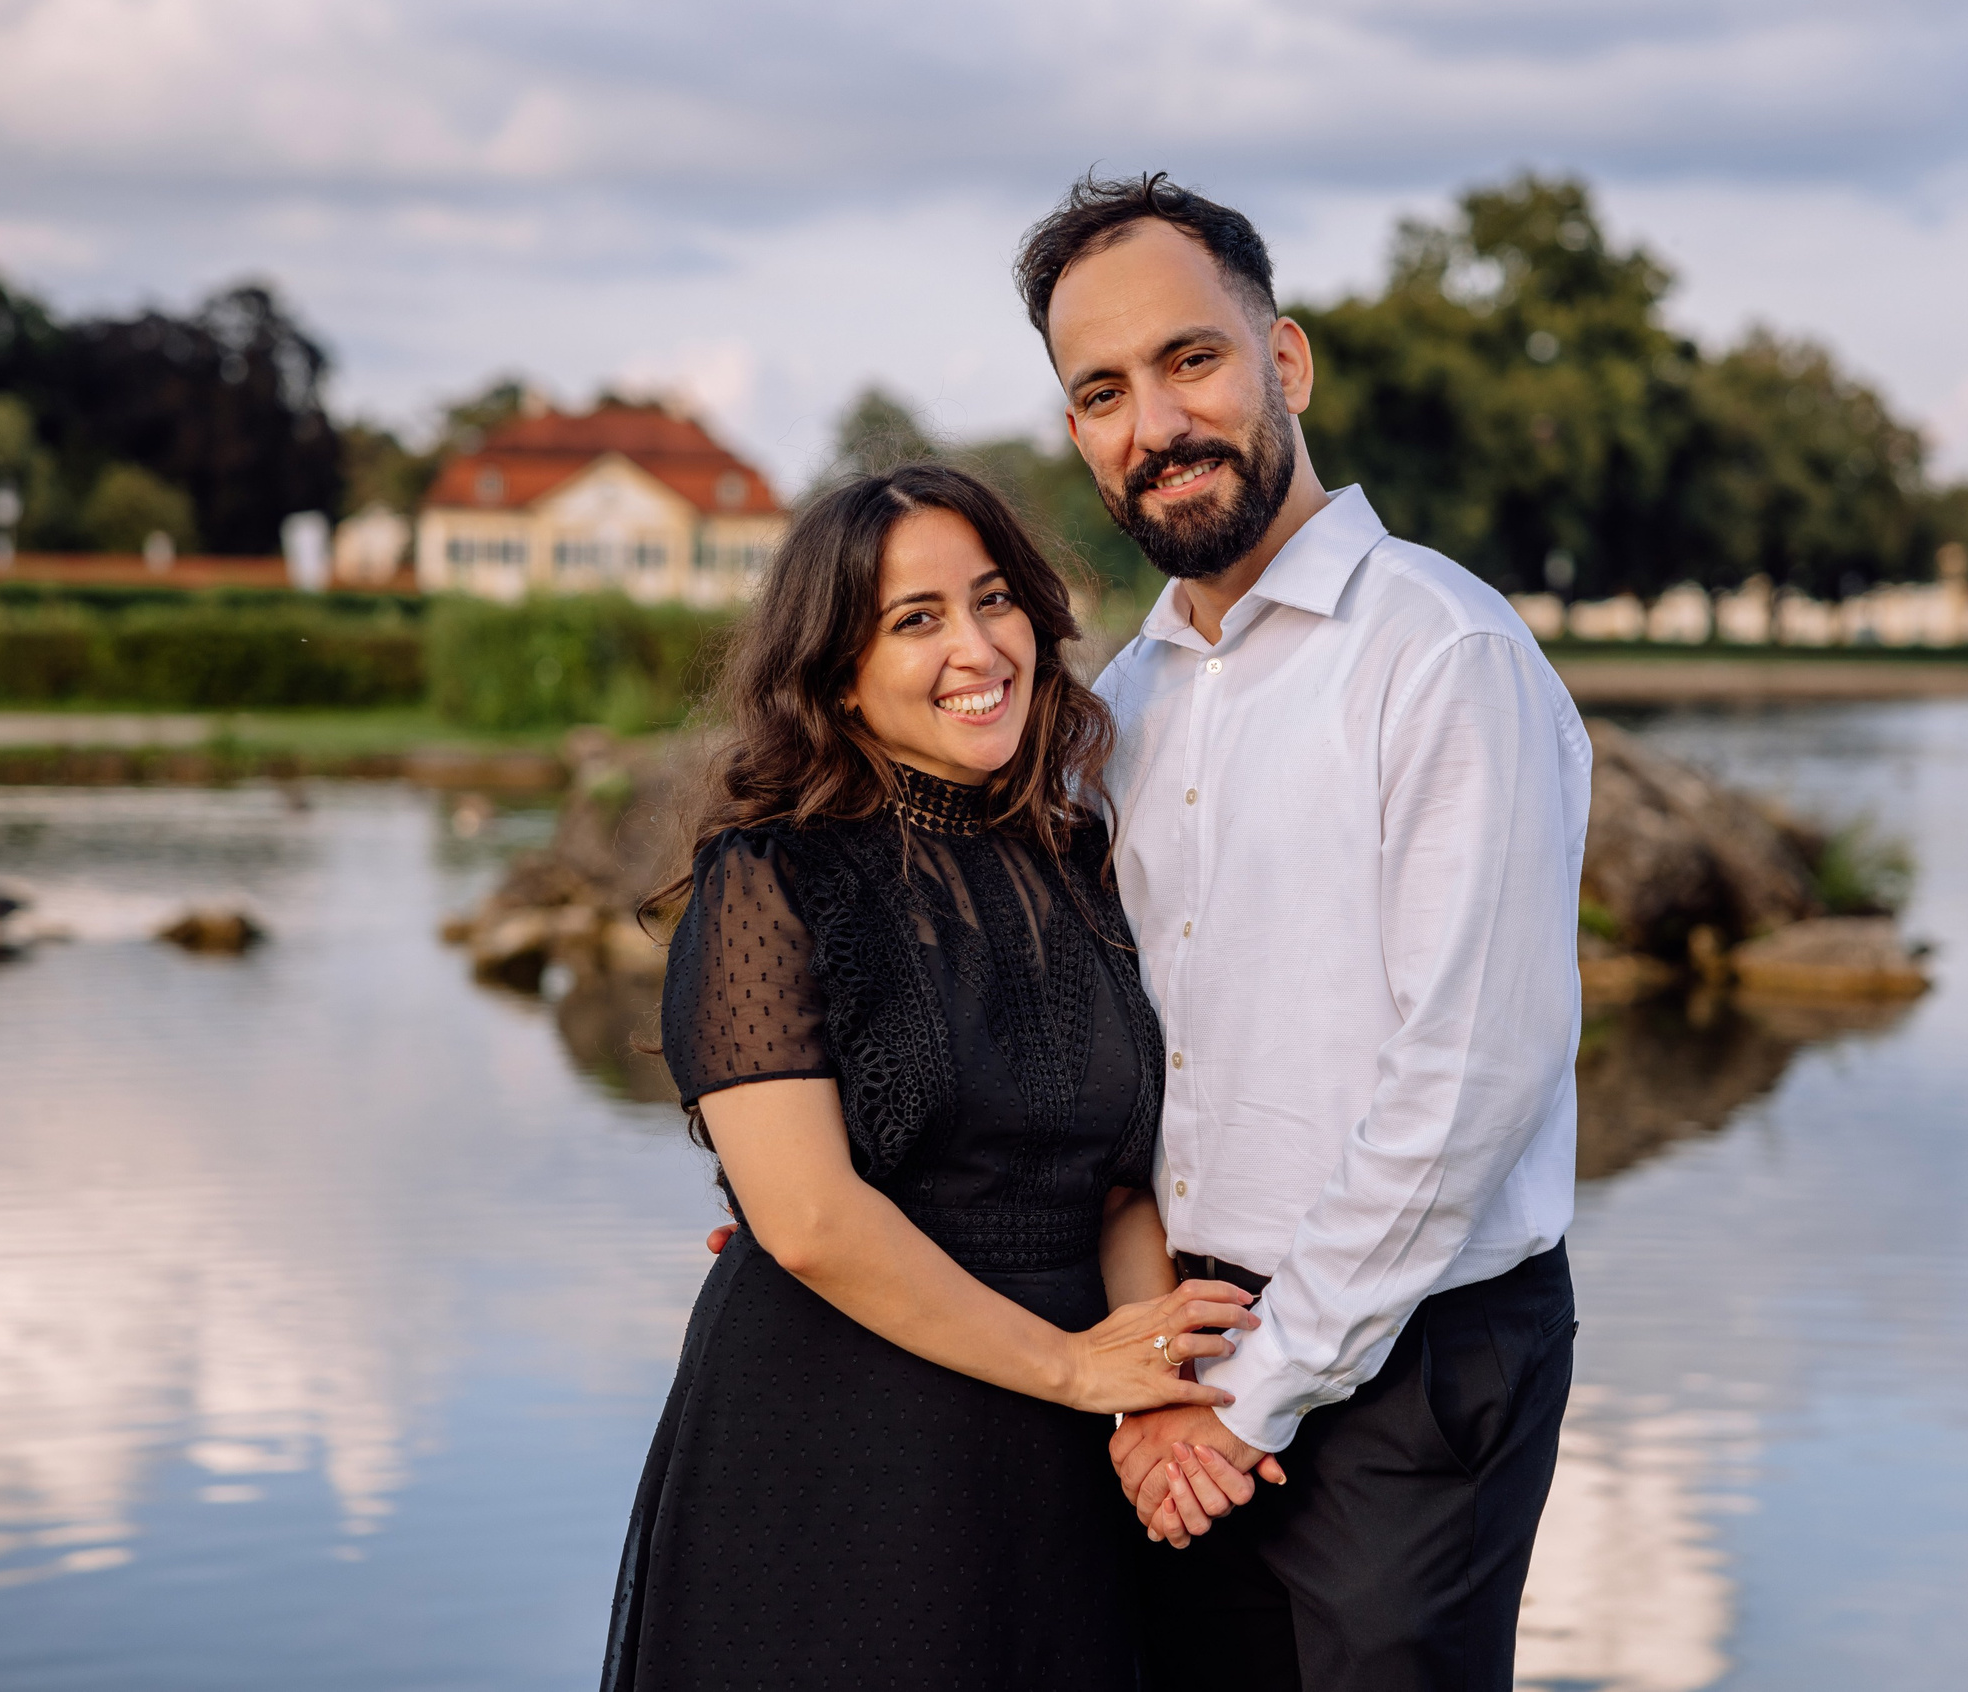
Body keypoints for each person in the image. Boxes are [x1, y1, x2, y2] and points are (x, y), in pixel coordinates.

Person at [1015, 172, 1593, 1690]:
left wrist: (1248, 1392)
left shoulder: (1442, 652)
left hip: (1409, 1367)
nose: (1154, 424)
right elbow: (1065, 1043)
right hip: (1171, 1332)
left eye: (1189, 361)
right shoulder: (1116, 712)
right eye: (1102, 392)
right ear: (1078, 433)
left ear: (1286, 363)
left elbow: (1473, 1070)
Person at [599, 462, 1262, 1692]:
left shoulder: (1079, 860)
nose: (977, 646)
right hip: (840, 1440)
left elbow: (1116, 1180)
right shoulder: (772, 880)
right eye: (916, 620)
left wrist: (1156, 1378)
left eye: (994, 599)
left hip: (1055, 1464)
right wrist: (1079, 1370)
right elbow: (804, 1220)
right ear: (834, 670)